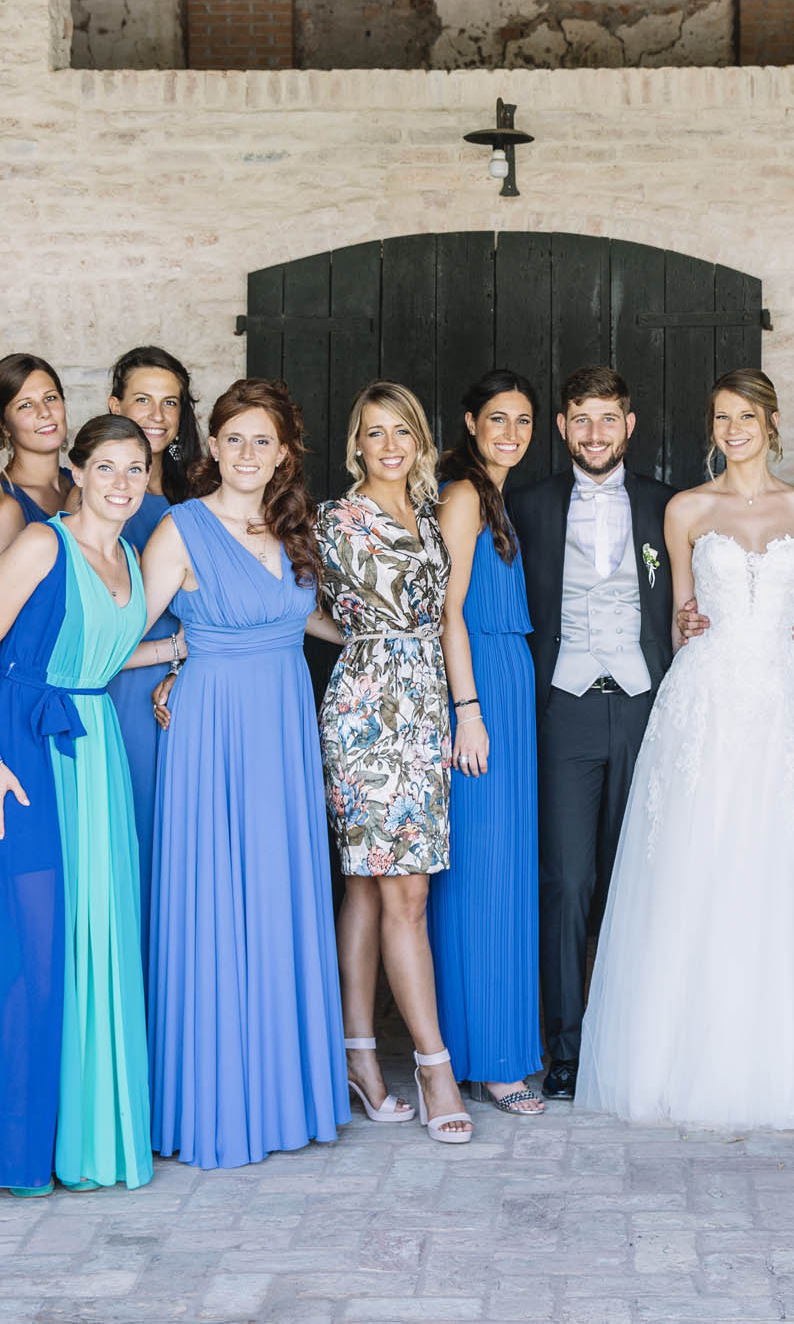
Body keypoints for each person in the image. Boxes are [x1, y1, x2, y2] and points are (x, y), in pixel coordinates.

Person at [577, 368, 794, 1131]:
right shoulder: (686, 509)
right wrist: (686, 627)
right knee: (699, 861)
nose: (732, 428)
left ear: (771, 422)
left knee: (784, 865)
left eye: (745, 415)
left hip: (784, 701)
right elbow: (683, 609)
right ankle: (683, 1056)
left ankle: (785, 1057)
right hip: (707, 700)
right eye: (721, 417)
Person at [134, 379, 350, 1168]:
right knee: (220, 902)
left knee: (280, 895)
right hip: (214, 730)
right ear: (212, 446)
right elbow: (116, 638)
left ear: (284, 451)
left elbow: (306, 617)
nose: (248, 454)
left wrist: (387, 635)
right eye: (234, 439)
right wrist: (175, 653)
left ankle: (285, 1092)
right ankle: (217, 1099)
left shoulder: (294, 524)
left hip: (283, 725)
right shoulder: (182, 529)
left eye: (264, 441)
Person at [0, 414, 155, 1194]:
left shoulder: (130, 555)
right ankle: (15, 1144)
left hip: (95, 741)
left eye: (135, 467)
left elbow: (97, 649)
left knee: (94, 936)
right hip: (23, 751)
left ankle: (87, 1137)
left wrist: (178, 650)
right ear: (75, 469)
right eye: (105, 466)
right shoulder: (44, 542)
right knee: (31, 945)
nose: (121, 482)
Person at [504, 366, 677, 1103]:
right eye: (581, 418)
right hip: (564, 706)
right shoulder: (525, 504)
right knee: (567, 880)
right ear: (563, 426)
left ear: (629, 426)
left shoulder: (669, 507)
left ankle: (636, 1036)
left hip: (646, 704)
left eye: (609, 418)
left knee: (641, 878)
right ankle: (568, 1044)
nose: (595, 433)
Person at [317, 381, 471, 1144]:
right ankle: (433, 1064)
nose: (387, 445)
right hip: (367, 710)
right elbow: (287, 598)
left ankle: (360, 1057)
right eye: (373, 432)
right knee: (400, 892)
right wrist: (355, 639)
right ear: (357, 443)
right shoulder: (335, 519)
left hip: (424, 703)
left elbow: (447, 617)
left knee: (372, 891)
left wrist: (461, 709)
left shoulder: (433, 510)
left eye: (400, 432)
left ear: (418, 440)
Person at [432, 369, 546, 1115]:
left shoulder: (496, 495)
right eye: (497, 418)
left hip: (510, 677)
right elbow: (449, 611)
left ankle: (491, 1044)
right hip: (480, 690)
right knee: (480, 871)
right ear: (470, 421)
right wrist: (467, 709)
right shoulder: (465, 493)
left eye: (524, 420)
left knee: (503, 867)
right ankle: (487, 1056)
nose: (511, 432)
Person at [106, 346, 197, 956]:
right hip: (127, 687)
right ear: (114, 406)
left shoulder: (200, 494)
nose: (158, 414)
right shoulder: (98, 497)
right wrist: (171, 650)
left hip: (190, 689)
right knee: (134, 841)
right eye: (143, 399)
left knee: (184, 850)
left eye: (171, 402)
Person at [0, 353, 72, 559]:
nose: (44, 412)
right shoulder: (1, 510)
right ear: (3, 425)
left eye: (50, 398)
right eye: (25, 405)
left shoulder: (78, 483)